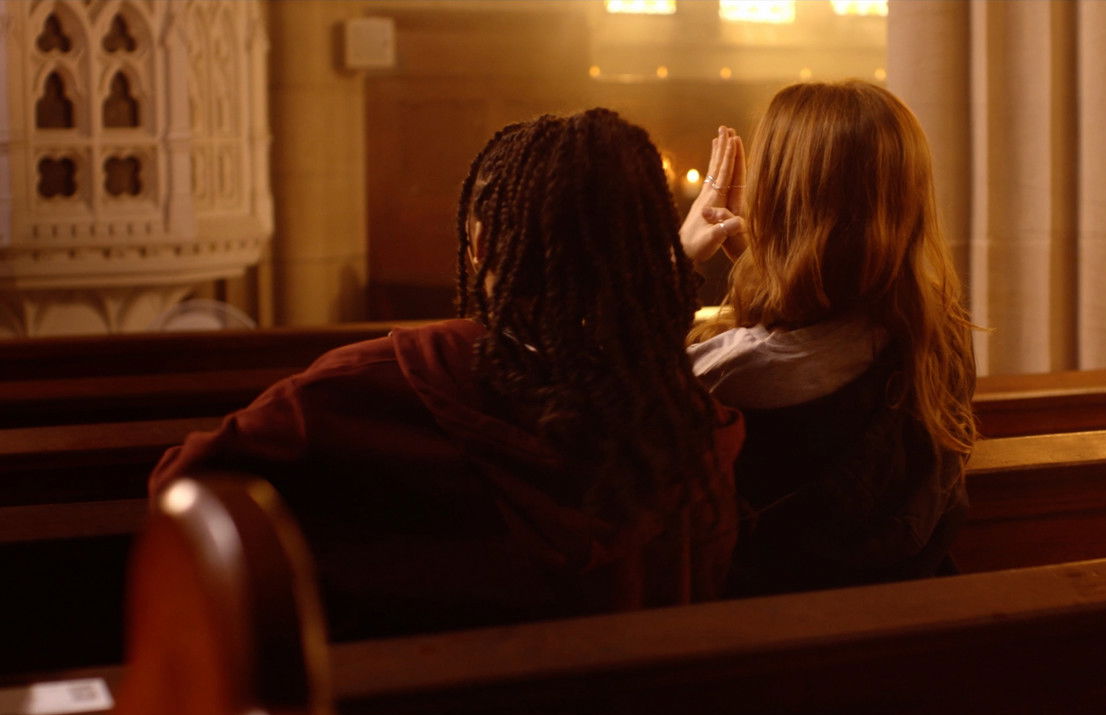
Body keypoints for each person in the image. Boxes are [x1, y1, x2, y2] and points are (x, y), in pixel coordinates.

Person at [151, 109, 743, 639]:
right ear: (640, 251)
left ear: (479, 243)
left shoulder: (374, 385)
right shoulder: (687, 426)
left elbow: (185, 490)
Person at [680, 81, 977, 596]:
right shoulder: (936, 343)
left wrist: (679, 257)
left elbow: (624, 399)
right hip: (911, 619)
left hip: (758, 633)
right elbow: (832, 327)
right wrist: (768, 263)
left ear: (777, 201)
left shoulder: (724, 378)